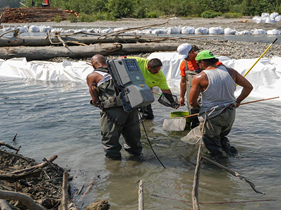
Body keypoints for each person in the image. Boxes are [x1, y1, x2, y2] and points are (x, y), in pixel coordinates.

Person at [189, 50, 253, 160]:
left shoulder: (200, 77)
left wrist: (199, 108)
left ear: (202, 63)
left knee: (212, 144)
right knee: (222, 137)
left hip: (212, 116)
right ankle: (229, 154)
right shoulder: (231, 72)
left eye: (198, 64)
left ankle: (219, 168)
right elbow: (249, 87)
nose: (199, 66)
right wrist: (238, 101)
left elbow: (192, 102)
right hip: (230, 113)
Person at [86, 54, 142, 160]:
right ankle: (136, 160)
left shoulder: (93, 75)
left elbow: (94, 97)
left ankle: (114, 167)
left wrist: (96, 102)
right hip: (132, 107)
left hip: (112, 111)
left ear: (93, 65)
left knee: (110, 139)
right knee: (133, 137)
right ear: (105, 61)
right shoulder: (121, 70)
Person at [177, 43, 223, 128]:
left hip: (207, 95)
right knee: (194, 119)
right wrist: (181, 97)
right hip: (193, 95)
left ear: (192, 51)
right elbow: (183, 81)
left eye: (187, 55)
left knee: (208, 119)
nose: (185, 58)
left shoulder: (205, 58)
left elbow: (223, 70)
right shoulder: (184, 64)